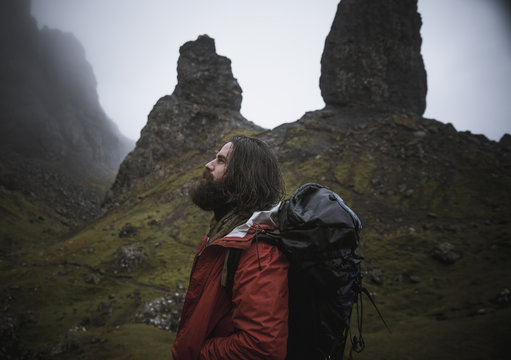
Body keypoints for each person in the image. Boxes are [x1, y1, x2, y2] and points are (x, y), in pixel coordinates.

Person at [171, 135, 289, 360]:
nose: (209, 165)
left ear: (242, 178)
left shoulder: (258, 251)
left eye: (221, 160)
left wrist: (197, 354)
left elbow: (261, 348)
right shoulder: (224, 235)